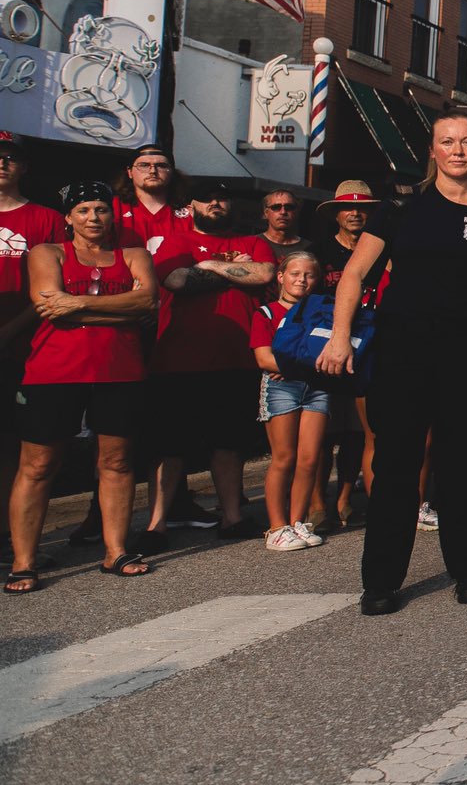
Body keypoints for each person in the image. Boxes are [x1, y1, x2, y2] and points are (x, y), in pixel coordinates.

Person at [320, 109, 467, 614]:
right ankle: (382, 581)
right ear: (432, 150)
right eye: (447, 141)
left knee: (461, 465)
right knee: (396, 467)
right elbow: (354, 275)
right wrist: (339, 337)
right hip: (403, 356)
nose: (458, 150)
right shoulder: (401, 206)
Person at [8, 181, 159, 592]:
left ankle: (115, 551)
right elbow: (47, 305)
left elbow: (148, 302)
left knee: (117, 463)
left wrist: (77, 305)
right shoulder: (47, 253)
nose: (94, 217)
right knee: (38, 466)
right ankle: (24, 562)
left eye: (101, 209)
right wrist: (120, 310)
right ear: (68, 217)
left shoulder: (134, 254)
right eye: (84, 210)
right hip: (53, 371)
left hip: (120, 371)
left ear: (112, 215)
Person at [147, 183, 277, 544]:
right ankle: (155, 526)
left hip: (236, 358)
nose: (216, 203)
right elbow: (176, 279)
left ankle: (232, 519)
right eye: (206, 198)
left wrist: (206, 266)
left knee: (229, 442)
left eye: (222, 197)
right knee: (169, 446)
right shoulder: (176, 240)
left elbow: (265, 274)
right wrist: (231, 270)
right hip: (177, 360)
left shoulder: (252, 241)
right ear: (192, 205)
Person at [0, 132, 63, 542]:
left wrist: (10, 329)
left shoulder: (46, 218)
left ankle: (9, 536)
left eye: (10, 157)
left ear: (24, 167)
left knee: (13, 443)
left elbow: (53, 288)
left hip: (23, 343)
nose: (2, 163)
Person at [250, 249, 331, 552]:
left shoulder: (323, 311)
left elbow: (328, 352)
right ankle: (275, 527)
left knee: (310, 458)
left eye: (309, 275)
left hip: (317, 387)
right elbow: (263, 357)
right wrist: (299, 365)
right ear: (281, 277)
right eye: (295, 274)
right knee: (284, 458)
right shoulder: (267, 313)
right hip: (280, 388)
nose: (302, 280)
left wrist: (294, 365)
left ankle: (297, 522)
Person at [311, 180, 381, 525]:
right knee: (321, 434)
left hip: (368, 346)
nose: (355, 213)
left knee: (359, 432)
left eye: (363, 207)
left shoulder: (383, 250)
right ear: (336, 213)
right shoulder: (320, 251)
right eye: (348, 207)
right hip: (326, 344)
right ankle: (317, 505)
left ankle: (344, 499)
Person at [112, 143, 192, 253]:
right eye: (144, 165)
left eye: (161, 165)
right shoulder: (112, 208)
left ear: (172, 172)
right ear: (130, 172)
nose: (153, 171)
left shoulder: (191, 213)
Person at [259, 189, 310, 258]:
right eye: (276, 207)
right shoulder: (249, 244)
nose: (283, 212)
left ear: (296, 212)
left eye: (289, 207)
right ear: (266, 213)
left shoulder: (310, 249)